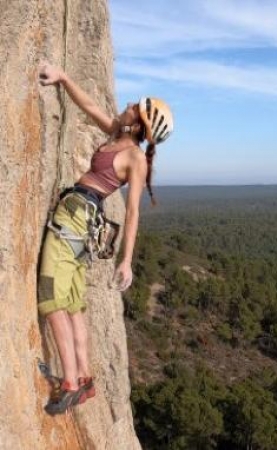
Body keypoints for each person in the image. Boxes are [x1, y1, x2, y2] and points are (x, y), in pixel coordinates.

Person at [37, 62, 174, 414]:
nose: (127, 103)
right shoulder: (118, 134)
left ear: (139, 122)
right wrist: (64, 77)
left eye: (134, 106)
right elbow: (89, 107)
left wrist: (126, 261)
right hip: (82, 221)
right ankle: (82, 377)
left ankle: (69, 382)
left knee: (51, 300)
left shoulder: (134, 158)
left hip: (76, 218)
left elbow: (132, 213)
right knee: (72, 304)